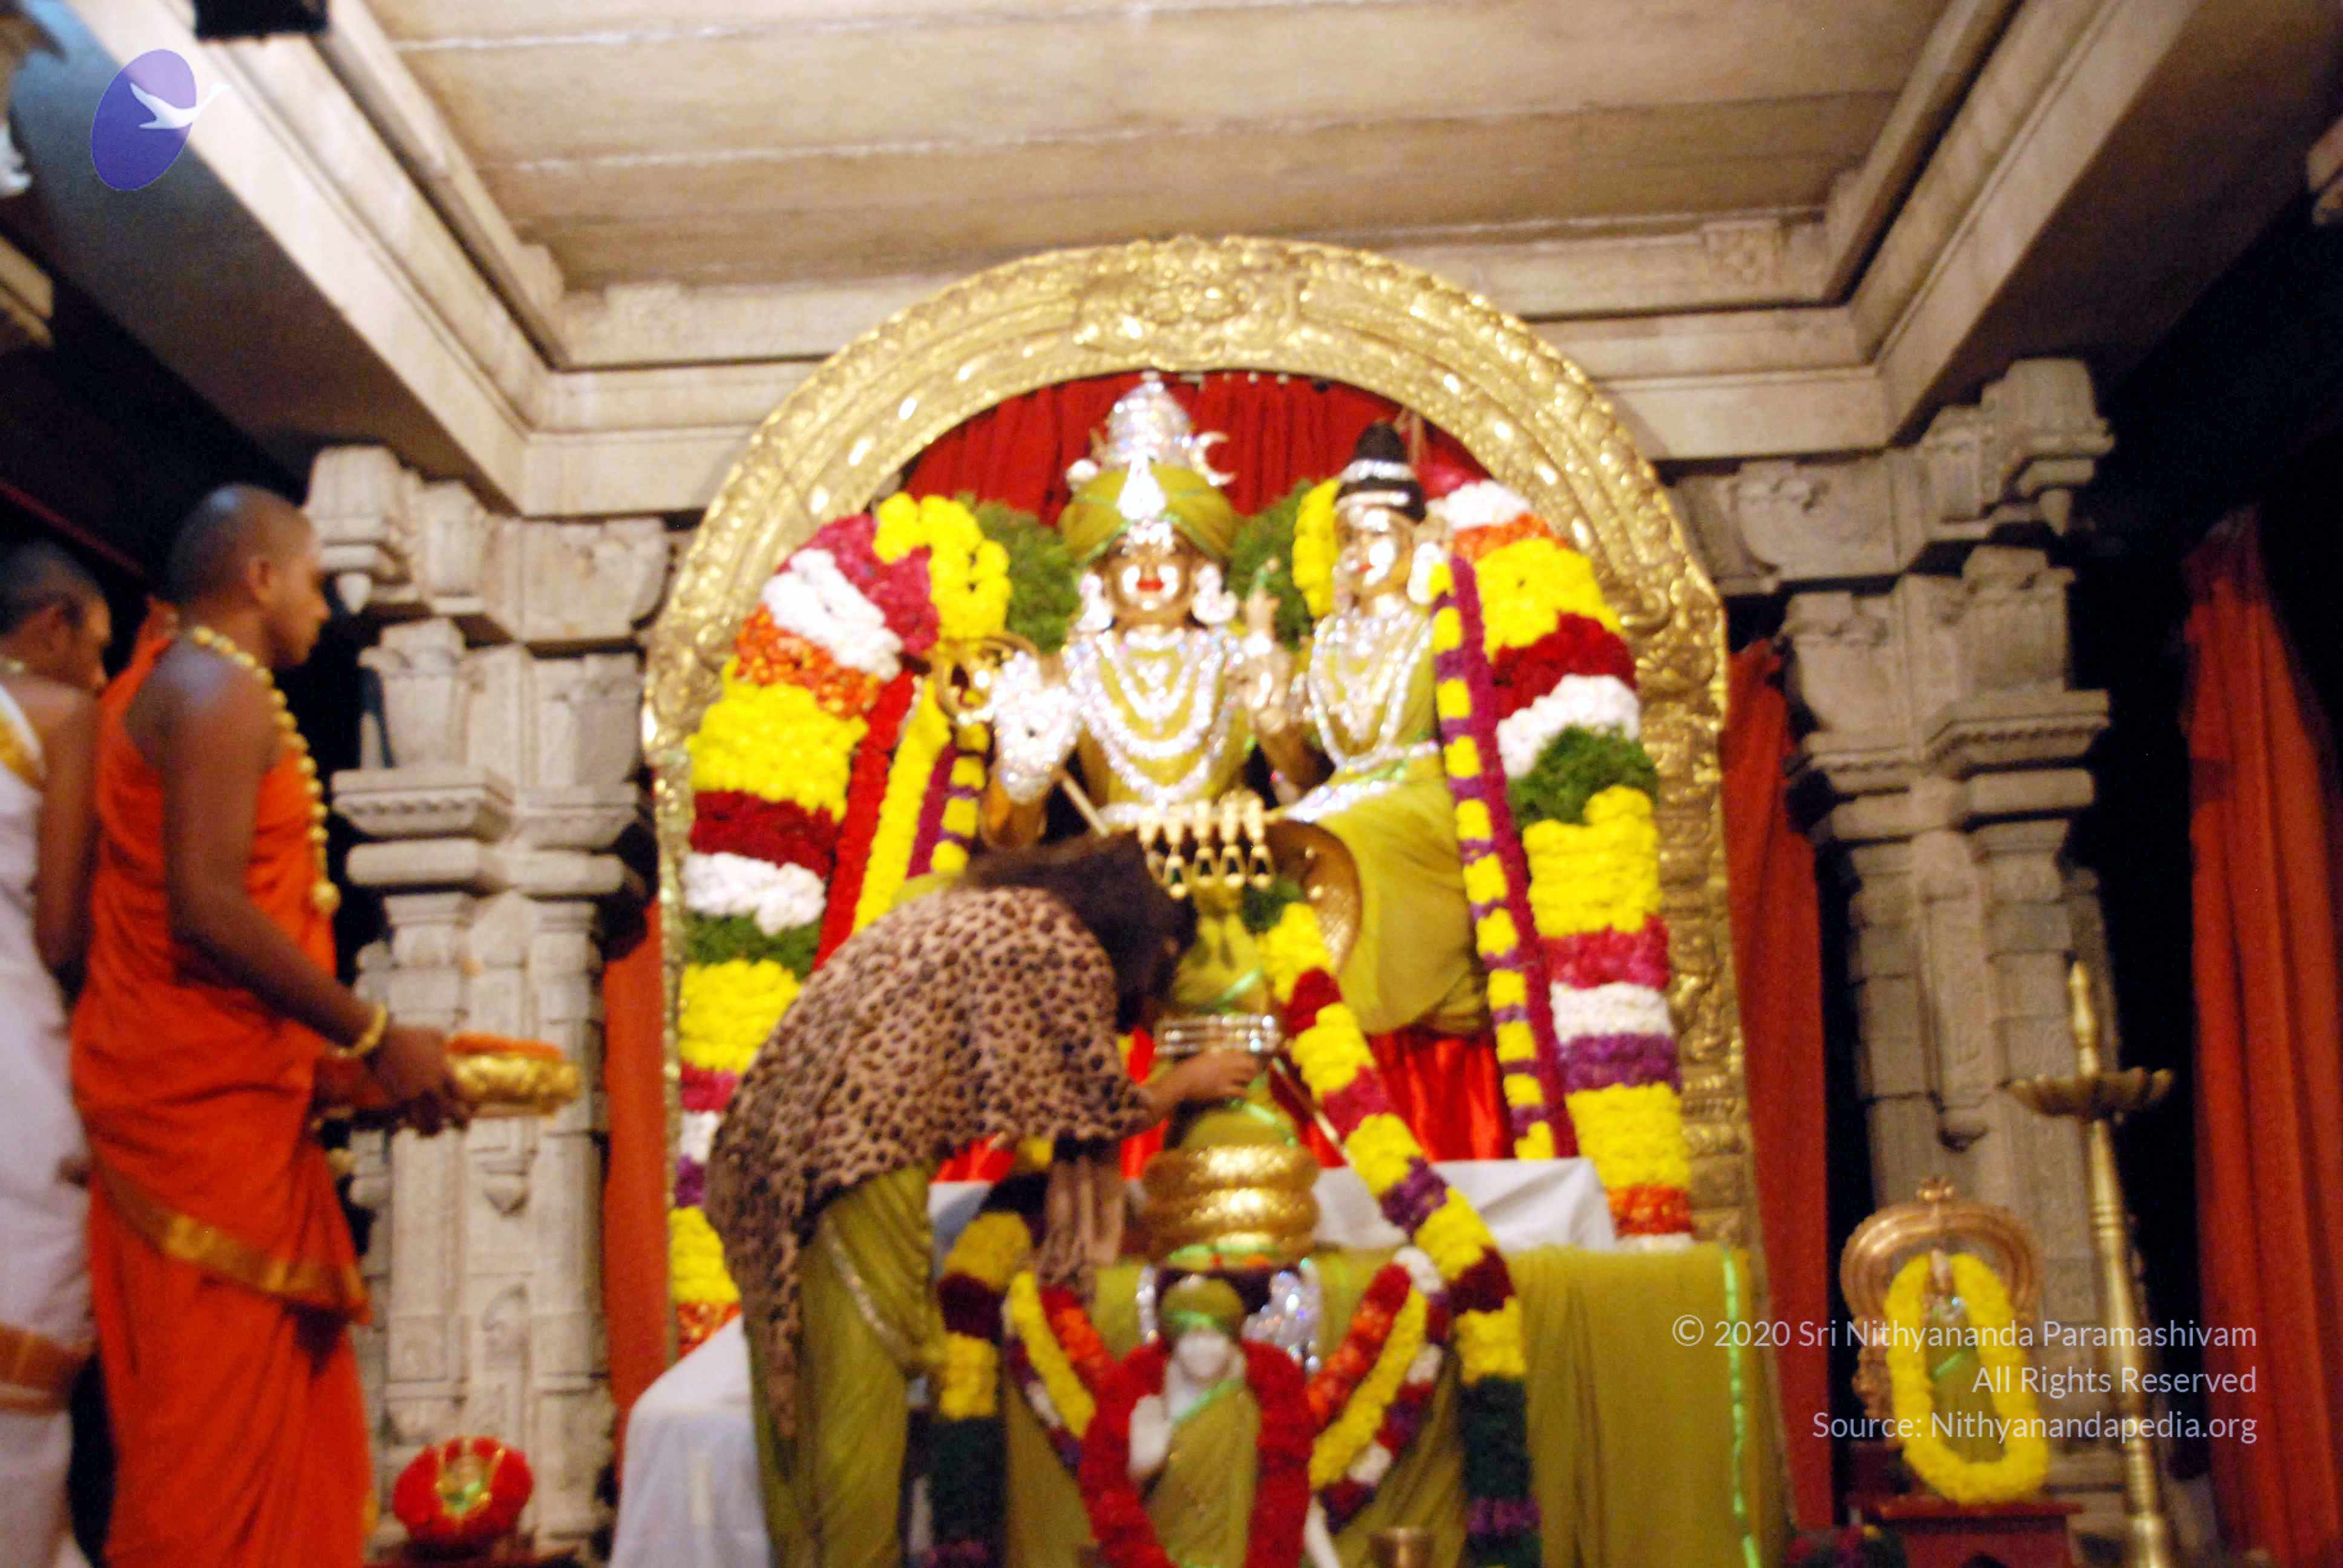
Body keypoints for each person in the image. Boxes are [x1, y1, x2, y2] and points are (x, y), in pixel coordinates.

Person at [70, 485, 464, 1567]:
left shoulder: (194, 683)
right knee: (207, 1437)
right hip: (194, 1112)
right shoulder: (214, 690)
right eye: (311, 583)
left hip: (229, 1095)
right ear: (257, 579)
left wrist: (336, 1066)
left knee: (257, 1413)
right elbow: (205, 910)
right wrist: (374, 1031)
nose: (323, 611)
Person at [704, 832, 1258, 1568]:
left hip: (769, 1155)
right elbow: (1096, 1103)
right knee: (858, 1394)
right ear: (1151, 942)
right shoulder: (1057, 941)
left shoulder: (987, 910)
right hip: (850, 1160)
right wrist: (1188, 1080)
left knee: (798, 1396)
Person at [0, 541, 109, 1568]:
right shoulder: (60, 714)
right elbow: (63, 930)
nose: (101, 678)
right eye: (98, 649)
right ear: (50, 626)